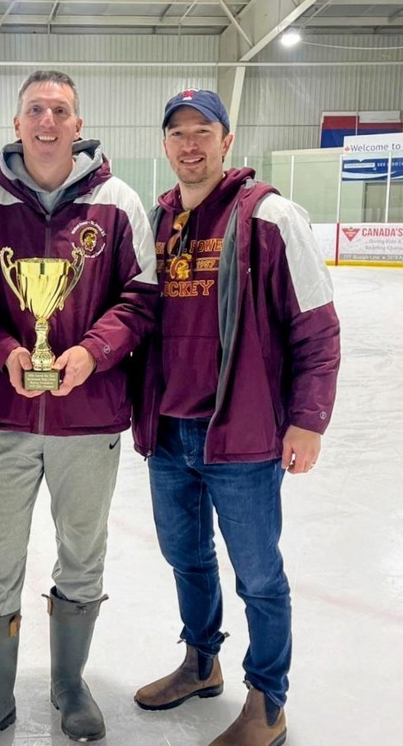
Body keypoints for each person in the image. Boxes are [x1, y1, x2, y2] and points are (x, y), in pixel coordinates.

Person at [0, 70, 157, 745]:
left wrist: (93, 351)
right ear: (16, 124)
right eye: (36, 109)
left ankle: (69, 684)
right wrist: (6, 349)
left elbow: (140, 298)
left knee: (82, 553)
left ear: (77, 123)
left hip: (89, 420)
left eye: (60, 110)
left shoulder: (118, 201)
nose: (47, 121)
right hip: (7, 416)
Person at [132, 88, 341, 746]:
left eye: (203, 131)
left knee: (258, 573)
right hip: (170, 433)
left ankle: (267, 700)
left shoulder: (269, 216)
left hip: (242, 436)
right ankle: (201, 661)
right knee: (187, 558)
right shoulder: (158, 222)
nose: (190, 144)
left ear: (227, 141)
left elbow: (317, 329)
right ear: (164, 145)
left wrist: (307, 420)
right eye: (177, 133)